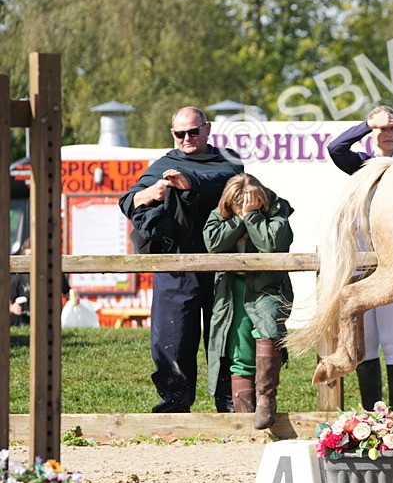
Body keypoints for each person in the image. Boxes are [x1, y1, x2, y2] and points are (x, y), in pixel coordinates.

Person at [119, 107, 243, 413]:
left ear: (207, 129)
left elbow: (229, 180)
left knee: (225, 334)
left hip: (220, 262)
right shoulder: (163, 164)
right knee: (172, 335)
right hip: (176, 264)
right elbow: (127, 201)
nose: (187, 138)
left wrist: (189, 183)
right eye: (180, 133)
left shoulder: (228, 159)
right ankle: (174, 403)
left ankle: (230, 403)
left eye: (193, 131)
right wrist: (151, 192)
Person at [328, 104, 393, 410]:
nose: (388, 134)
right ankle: (371, 417)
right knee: (365, 344)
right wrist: (368, 124)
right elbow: (336, 148)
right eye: (382, 129)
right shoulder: (362, 164)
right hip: (362, 260)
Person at [204, 174, 294, 430]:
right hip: (232, 291)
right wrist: (240, 220)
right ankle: (245, 415)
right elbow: (212, 244)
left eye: (248, 203)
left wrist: (253, 217)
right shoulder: (220, 213)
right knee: (239, 351)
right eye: (237, 204)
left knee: (268, 330)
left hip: (267, 286)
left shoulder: (277, 209)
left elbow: (272, 244)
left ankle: (266, 401)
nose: (242, 207)